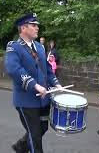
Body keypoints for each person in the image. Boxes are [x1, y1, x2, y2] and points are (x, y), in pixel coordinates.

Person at [5, 13, 62, 153]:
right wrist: (34, 85)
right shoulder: (14, 46)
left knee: (43, 128)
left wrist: (56, 83)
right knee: (35, 135)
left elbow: (47, 69)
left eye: (37, 25)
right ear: (23, 28)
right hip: (26, 100)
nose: (37, 28)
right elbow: (14, 69)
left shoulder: (40, 47)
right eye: (34, 25)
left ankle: (20, 147)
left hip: (43, 99)